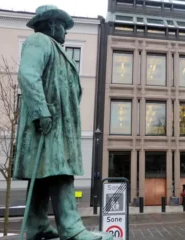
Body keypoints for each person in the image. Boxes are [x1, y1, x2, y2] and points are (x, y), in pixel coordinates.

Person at [13, 5, 108, 240]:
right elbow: (28, 74)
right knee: (61, 173)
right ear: (52, 24)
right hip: (49, 123)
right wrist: (41, 112)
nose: (66, 32)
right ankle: (71, 228)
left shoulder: (56, 48)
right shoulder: (39, 42)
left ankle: (37, 226)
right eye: (63, 27)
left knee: (44, 175)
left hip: (57, 123)